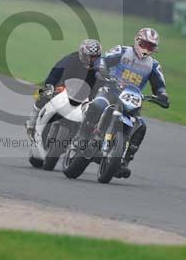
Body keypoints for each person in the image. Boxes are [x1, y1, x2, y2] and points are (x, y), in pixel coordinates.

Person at [75, 28, 169, 178]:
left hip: (131, 99)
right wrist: (102, 70)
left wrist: (162, 95)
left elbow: (160, 85)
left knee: (141, 126)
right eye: (144, 44)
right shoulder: (122, 50)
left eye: (150, 46)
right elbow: (103, 60)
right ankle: (82, 136)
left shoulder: (154, 65)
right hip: (111, 90)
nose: (146, 48)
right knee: (97, 105)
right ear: (137, 40)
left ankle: (123, 161)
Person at [25, 39, 102, 139]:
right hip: (65, 86)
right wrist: (51, 85)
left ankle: (86, 138)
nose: (92, 60)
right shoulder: (71, 60)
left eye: (95, 58)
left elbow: (101, 83)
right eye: (90, 57)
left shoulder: (99, 67)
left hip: (85, 94)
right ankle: (31, 122)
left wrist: (96, 96)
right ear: (82, 54)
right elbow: (56, 72)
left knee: (97, 110)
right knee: (42, 93)